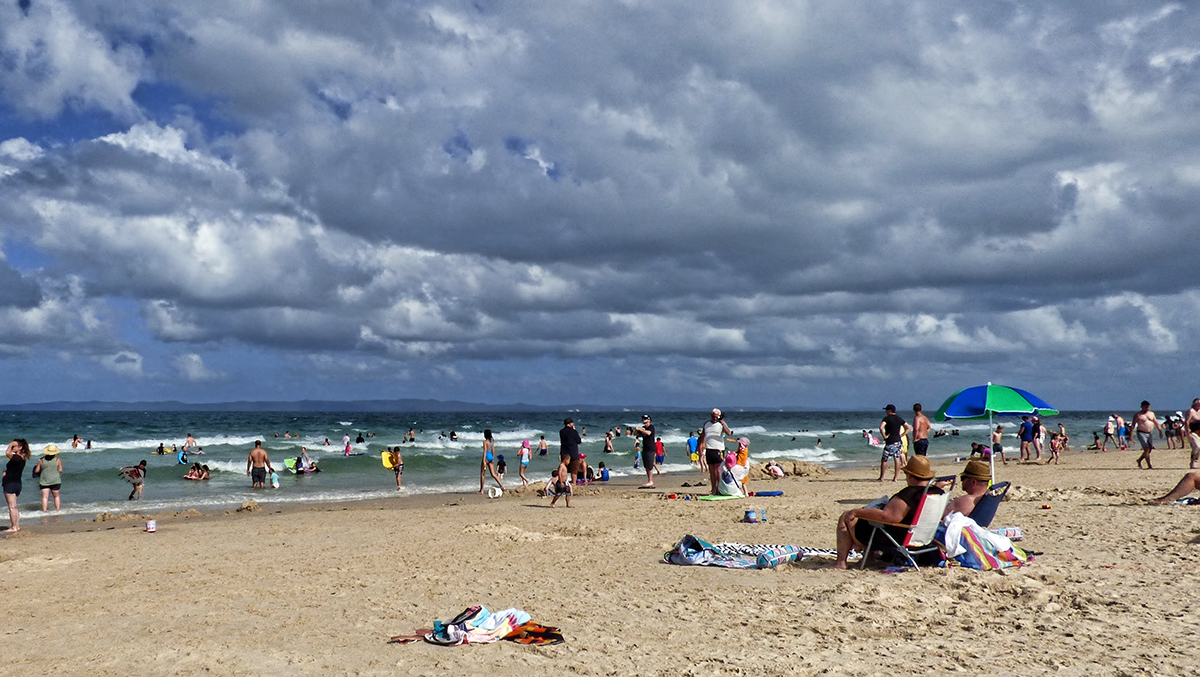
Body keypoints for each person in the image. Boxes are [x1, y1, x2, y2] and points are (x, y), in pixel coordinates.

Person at [832, 456, 943, 569]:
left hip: (898, 539)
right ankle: (869, 557)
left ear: (909, 475)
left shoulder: (909, 494)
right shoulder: (937, 492)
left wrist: (856, 512)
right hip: (924, 538)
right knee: (870, 518)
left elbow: (889, 517)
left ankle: (841, 563)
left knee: (847, 516)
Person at [699, 409, 732, 494]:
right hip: (709, 449)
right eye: (713, 416)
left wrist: (723, 423)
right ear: (711, 415)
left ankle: (720, 488)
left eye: (716, 416)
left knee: (718, 470)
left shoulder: (721, 425)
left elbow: (728, 433)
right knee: (711, 471)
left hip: (718, 449)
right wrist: (699, 448)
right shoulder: (707, 424)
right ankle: (713, 489)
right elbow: (702, 436)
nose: (714, 418)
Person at [3, 439, 31, 532]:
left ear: (20, 447)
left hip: (10, 483)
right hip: (17, 483)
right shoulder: (22, 459)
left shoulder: (17, 458)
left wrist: (10, 444)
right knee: (14, 506)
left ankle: (14, 526)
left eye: (14, 446)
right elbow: (14, 470)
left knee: (12, 507)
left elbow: (7, 453)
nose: (12, 448)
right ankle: (16, 525)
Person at [878, 404, 909, 482]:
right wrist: (903, 434)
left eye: (886, 410)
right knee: (897, 458)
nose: (885, 411)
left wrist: (884, 436)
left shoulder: (887, 419)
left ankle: (882, 477)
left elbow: (881, 427)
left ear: (889, 411)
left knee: (884, 459)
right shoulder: (899, 419)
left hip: (890, 441)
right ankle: (895, 478)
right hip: (898, 441)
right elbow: (908, 427)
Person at [33, 444, 64, 511]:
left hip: (44, 481)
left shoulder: (42, 460)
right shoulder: (57, 460)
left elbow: (37, 470)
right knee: (56, 496)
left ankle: (44, 511)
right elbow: (60, 470)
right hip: (55, 480)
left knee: (45, 497)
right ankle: (58, 510)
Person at [1132, 401, 1162, 469]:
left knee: (1150, 449)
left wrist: (1160, 431)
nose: (1147, 408)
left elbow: (1156, 422)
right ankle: (1149, 465)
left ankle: (1139, 460)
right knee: (1146, 449)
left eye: (1148, 406)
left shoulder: (1151, 414)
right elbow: (1133, 425)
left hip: (1149, 433)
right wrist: (1131, 434)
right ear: (1142, 406)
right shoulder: (1138, 415)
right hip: (1141, 432)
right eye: (1146, 406)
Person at [633, 415, 656, 488]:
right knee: (646, 465)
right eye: (643, 419)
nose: (644, 421)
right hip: (645, 448)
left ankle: (651, 481)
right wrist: (637, 429)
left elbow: (648, 433)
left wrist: (641, 429)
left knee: (650, 465)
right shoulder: (643, 428)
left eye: (645, 419)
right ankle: (649, 480)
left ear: (649, 420)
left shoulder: (651, 427)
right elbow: (635, 434)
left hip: (650, 448)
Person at [479, 429, 504, 494]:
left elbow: (484, 451)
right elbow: (493, 451)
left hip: (487, 456)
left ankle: (481, 490)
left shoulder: (485, 442)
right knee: (493, 474)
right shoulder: (491, 442)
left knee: (482, 474)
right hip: (491, 457)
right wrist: (492, 458)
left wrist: (484, 461)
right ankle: (502, 486)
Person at [559, 419, 582, 486]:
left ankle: (563, 483)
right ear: (569, 424)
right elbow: (579, 441)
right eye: (572, 423)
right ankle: (574, 484)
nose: (573, 424)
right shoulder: (574, 432)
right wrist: (574, 430)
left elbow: (562, 442)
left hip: (564, 452)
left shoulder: (561, 432)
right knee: (574, 470)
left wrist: (560, 453)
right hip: (573, 452)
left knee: (564, 469)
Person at [1187, 399, 1200, 469]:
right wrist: (1188, 433)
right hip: (1192, 432)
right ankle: (1192, 463)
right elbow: (1186, 422)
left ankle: (1194, 462)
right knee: (1197, 447)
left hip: (1199, 432)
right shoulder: (1191, 411)